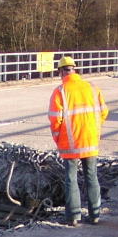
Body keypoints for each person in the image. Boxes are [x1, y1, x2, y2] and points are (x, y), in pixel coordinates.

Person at [47, 55, 109, 226]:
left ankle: (73, 217)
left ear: (60, 72)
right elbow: (103, 112)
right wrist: (93, 129)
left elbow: (55, 119)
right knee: (91, 177)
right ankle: (95, 215)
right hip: (90, 141)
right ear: (74, 69)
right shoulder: (91, 87)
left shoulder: (60, 91)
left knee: (71, 178)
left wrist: (58, 138)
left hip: (70, 143)